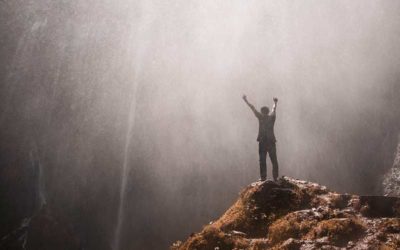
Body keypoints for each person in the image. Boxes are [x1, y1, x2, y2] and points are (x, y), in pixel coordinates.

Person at [243, 95, 279, 181]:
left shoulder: (261, 117)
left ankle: (263, 177)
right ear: (267, 112)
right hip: (271, 141)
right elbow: (274, 109)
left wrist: (246, 100)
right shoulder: (272, 118)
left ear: (262, 112)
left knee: (262, 160)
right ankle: (275, 177)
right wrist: (275, 102)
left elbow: (253, 108)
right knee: (274, 160)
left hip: (263, 141)